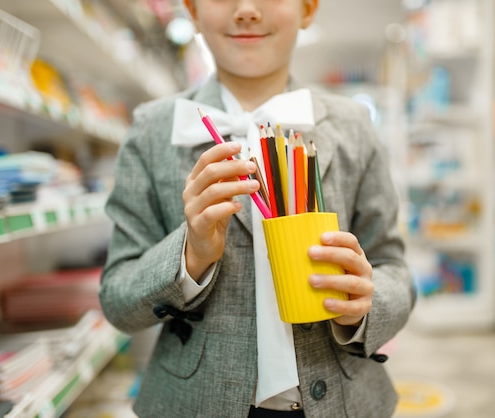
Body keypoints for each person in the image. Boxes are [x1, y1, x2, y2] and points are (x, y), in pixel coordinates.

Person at [99, 0, 416, 417]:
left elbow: (395, 268)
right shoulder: (152, 131)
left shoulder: (353, 126)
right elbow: (118, 299)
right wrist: (190, 255)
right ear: (192, 10)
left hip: (343, 401)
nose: (247, 9)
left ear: (308, 8)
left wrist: (365, 301)